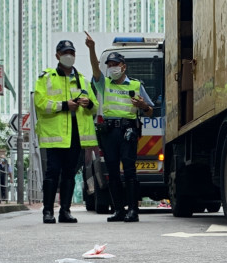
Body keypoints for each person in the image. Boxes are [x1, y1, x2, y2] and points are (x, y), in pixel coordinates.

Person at [86, 32, 155, 222]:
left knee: (130, 170)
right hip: (109, 132)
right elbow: (94, 69)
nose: (111, 68)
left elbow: (150, 111)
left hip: (128, 131)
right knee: (113, 171)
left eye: (115, 65)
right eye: (109, 65)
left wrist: (142, 106)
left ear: (123, 66)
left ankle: (133, 210)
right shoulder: (103, 84)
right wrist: (92, 49)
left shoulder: (135, 84)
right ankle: (119, 210)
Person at [33, 40, 99, 224]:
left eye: (71, 52)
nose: (68, 56)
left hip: (76, 136)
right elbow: (40, 103)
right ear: (57, 56)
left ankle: (65, 211)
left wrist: (89, 103)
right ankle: (48, 211)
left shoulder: (83, 80)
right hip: (54, 136)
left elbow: (95, 108)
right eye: (65, 52)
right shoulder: (47, 77)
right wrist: (63, 105)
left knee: (69, 175)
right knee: (52, 173)